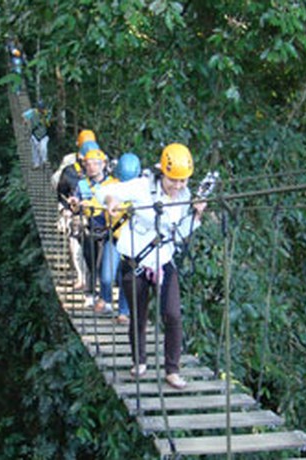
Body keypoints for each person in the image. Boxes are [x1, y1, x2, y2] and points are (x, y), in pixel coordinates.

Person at [97, 143, 207, 389]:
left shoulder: (186, 196)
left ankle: (172, 370)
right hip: (135, 260)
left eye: (183, 181)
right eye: (173, 180)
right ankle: (140, 361)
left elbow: (179, 235)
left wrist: (196, 217)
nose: (178, 186)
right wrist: (111, 198)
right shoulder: (142, 186)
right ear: (162, 173)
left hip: (163, 261)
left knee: (173, 314)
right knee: (138, 314)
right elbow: (104, 192)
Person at [70, 147, 117, 310]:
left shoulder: (113, 184)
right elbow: (75, 209)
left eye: (95, 164)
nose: (91, 167)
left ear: (103, 164)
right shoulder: (82, 185)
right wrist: (75, 205)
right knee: (90, 261)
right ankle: (91, 294)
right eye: (88, 164)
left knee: (103, 265)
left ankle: (106, 298)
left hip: (108, 229)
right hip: (88, 228)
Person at [97, 152, 142, 324]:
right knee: (107, 275)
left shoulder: (142, 189)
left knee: (127, 278)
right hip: (115, 238)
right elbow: (98, 199)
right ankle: (106, 298)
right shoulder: (111, 186)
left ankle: (124, 312)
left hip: (133, 242)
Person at [52, 130, 97, 290]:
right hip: (74, 212)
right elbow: (60, 188)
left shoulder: (100, 163)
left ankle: (91, 277)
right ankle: (81, 277)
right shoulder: (69, 166)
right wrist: (63, 210)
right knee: (75, 242)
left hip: (95, 213)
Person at [22, 100, 51, 169]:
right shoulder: (32, 112)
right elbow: (24, 115)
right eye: (40, 108)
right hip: (35, 134)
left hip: (44, 134)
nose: (41, 110)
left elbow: (48, 122)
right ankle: (36, 164)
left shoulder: (46, 113)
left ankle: (44, 161)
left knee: (43, 148)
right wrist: (25, 120)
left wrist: (46, 119)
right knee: (34, 150)